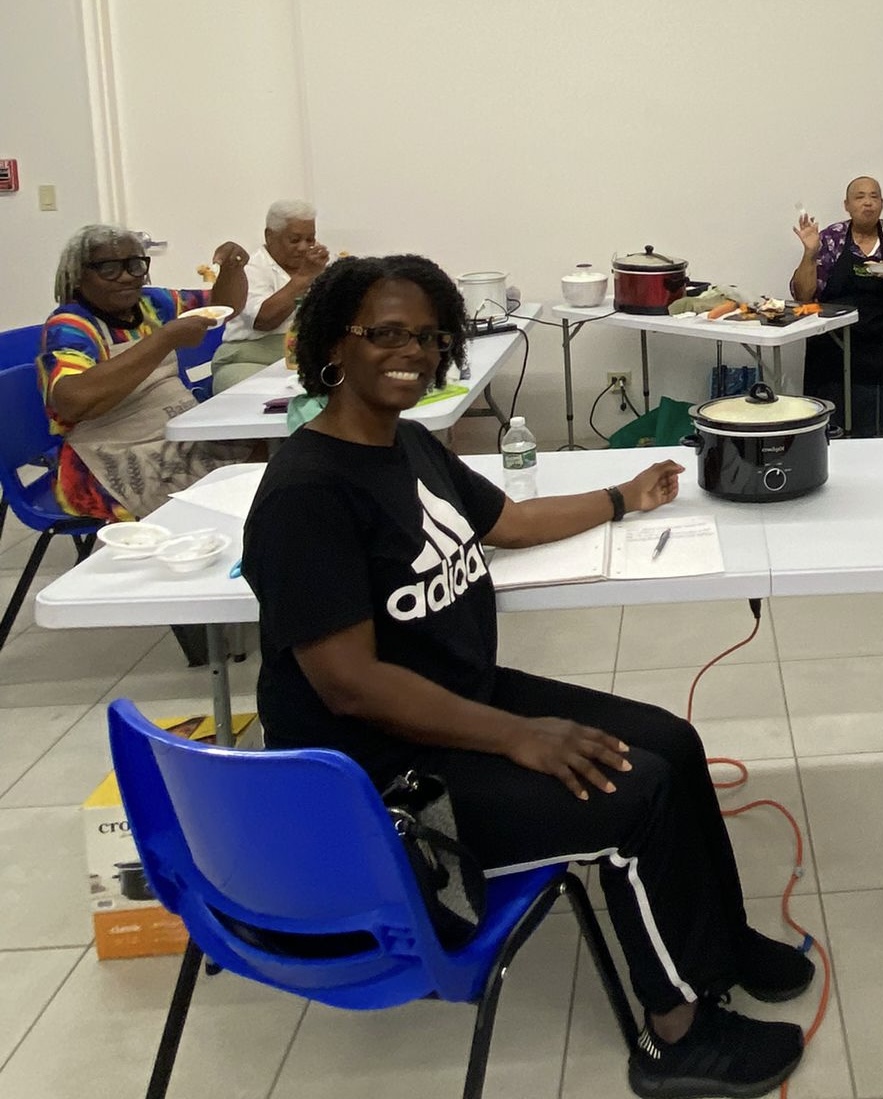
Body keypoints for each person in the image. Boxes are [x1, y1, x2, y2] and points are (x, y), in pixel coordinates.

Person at [241, 254, 809, 1099]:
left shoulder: (410, 445)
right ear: (332, 346)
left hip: (449, 703)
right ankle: (679, 1033)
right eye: (385, 333)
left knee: (672, 742)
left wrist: (623, 497)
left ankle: (717, 942)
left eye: (429, 337)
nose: (413, 352)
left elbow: (505, 518)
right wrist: (519, 735)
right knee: (632, 796)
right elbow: (350, 685)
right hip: (380, 773)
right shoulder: (306, 492)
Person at [39, 224, 255, 522]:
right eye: (109, 268)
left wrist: (232, 268)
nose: (127, 276)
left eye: (135, 265)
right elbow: (73, 401)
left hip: (176, 432)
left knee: (268, 453)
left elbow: (224, 306)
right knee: (241, 483)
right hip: (108, 454)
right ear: (78, 276)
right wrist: (163, 339)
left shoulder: (152, 304)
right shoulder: (71, 326)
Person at [791, 176, 883, 437]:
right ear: (847, 205)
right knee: (826, 378)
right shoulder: (831, 238)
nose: (868, 203)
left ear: (882, 204)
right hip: (840, 340)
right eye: (860, 197)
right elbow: (804, 295)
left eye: (874, 197)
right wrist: (810, 253)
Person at [210, 199, 329, 393]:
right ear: (270, 236)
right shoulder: (251, 267)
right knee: (267, 400)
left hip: (303, 360)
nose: (303, 247)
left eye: (310, 240)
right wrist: (303, 278)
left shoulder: (314, 268)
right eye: (295, 240)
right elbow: (263, 320)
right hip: (249, 359)